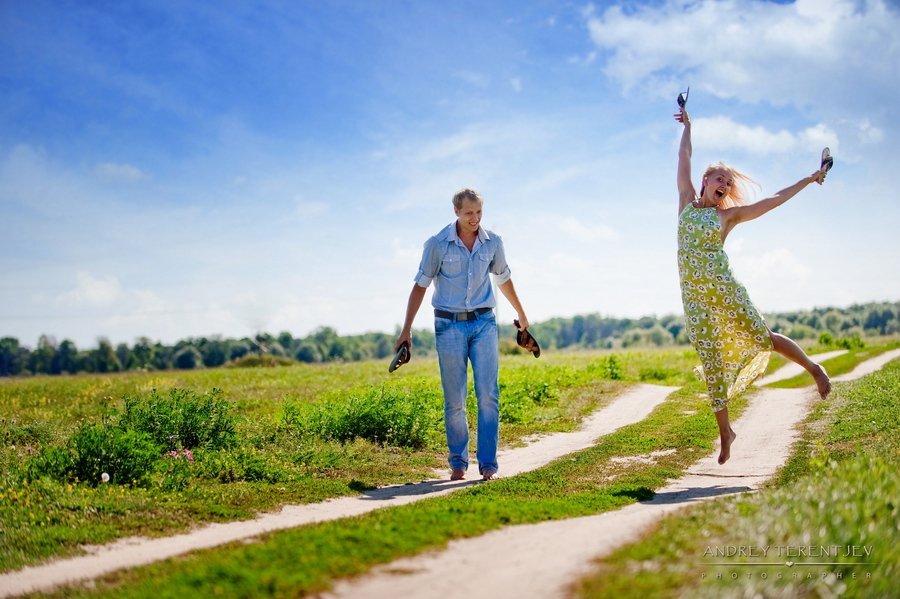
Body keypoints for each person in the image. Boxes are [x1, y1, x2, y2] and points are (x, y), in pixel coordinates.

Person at [674, 104, 831, 465]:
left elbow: (772, 200)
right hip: (696, 302)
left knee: (764, 336)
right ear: (705, 181)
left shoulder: (726, 217)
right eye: (719, 180)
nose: (725, 186)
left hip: (725, 292)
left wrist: (808, 180)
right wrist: (688, 126)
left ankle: (814, 369)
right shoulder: (684, 201)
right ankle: (725, 433)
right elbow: (684, 155)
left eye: (728, 183)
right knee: (711, 362)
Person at [396, 188, 531, 481]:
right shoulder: (437, 244)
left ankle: (488, 465)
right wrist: (406, 329)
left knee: (488, 395)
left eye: (479, 212)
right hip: (448, 326)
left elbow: (504, 278)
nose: (475, 218)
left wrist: (521, 312)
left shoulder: (492, 242)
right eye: (469, 213)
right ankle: (458, 462)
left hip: (484, 323)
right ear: (456, 212)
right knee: (455, 399)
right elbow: (420, 286)